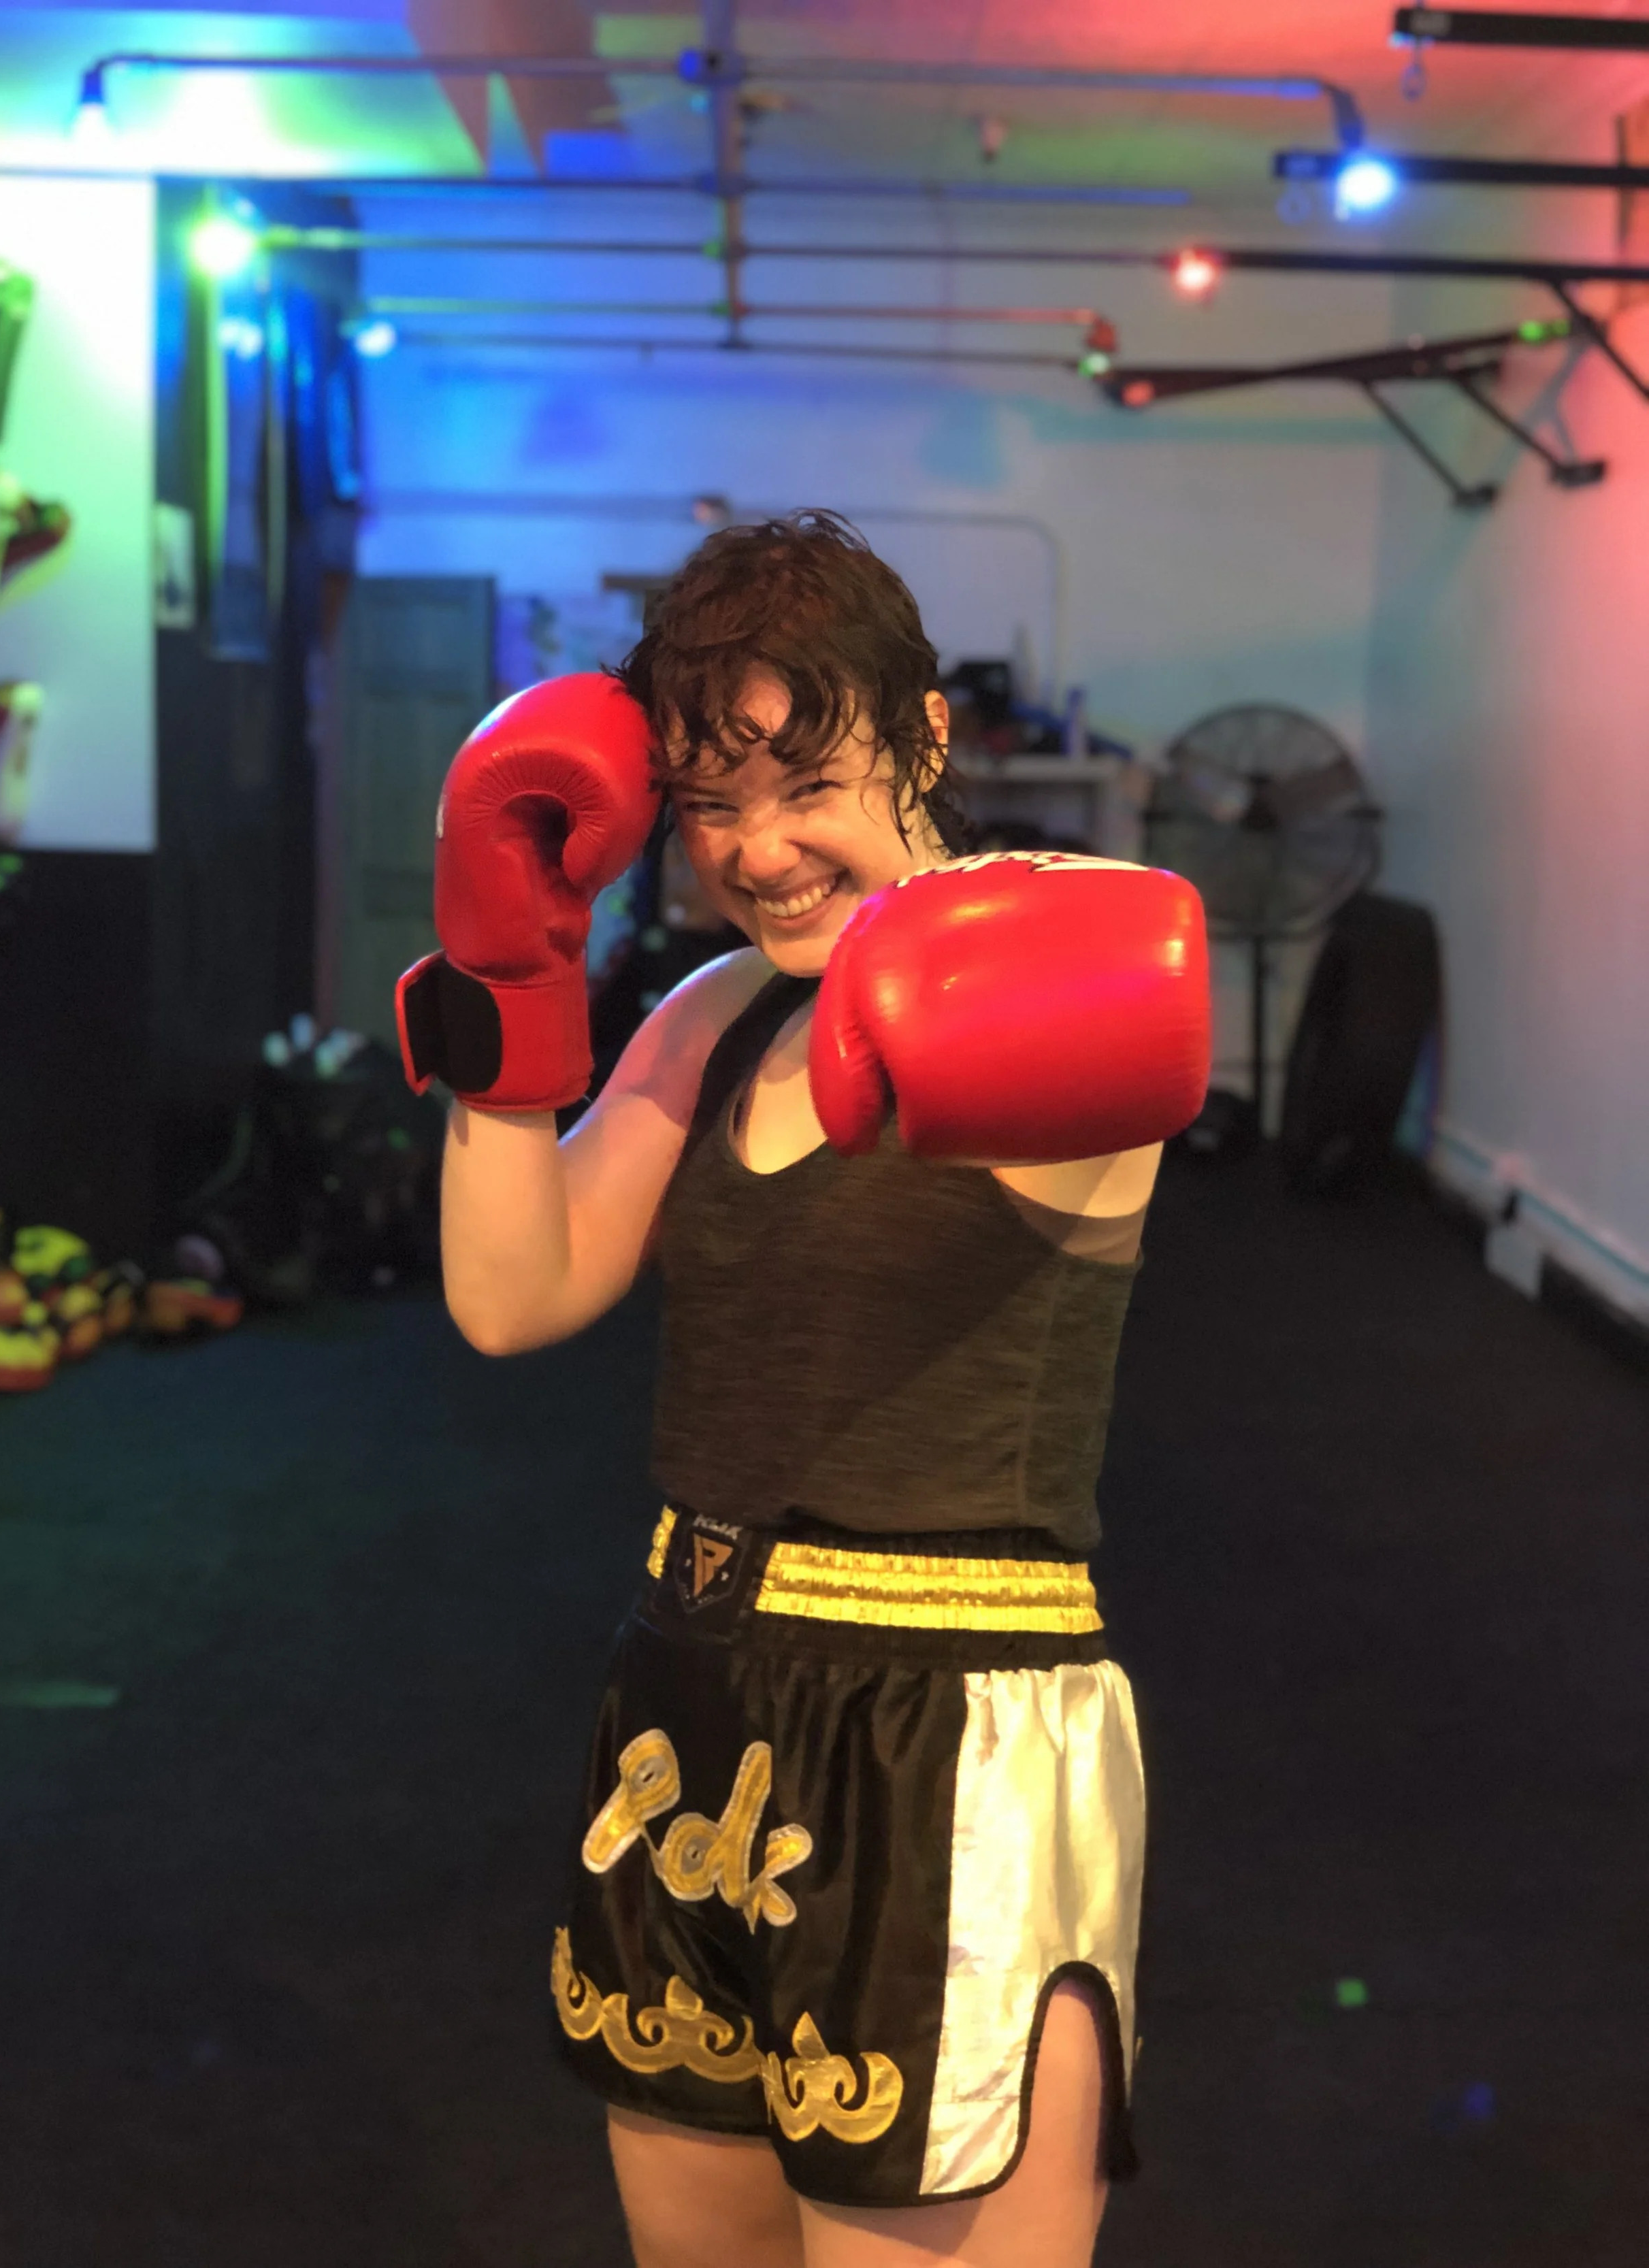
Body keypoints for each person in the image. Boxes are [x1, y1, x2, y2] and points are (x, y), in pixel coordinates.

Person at [397, 512, 1210, 2268]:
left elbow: (1131, 988)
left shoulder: (1042, 965)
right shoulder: (711, 1019)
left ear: (925, 739)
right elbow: (510, 1294)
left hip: (950, 1719)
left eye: (805, 780)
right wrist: (510, 989)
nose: (757, 851)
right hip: (687, 1719)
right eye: (706, 802)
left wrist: (930, 952)